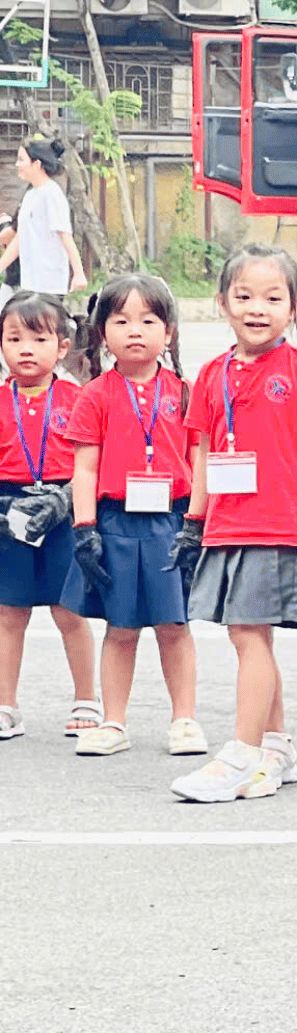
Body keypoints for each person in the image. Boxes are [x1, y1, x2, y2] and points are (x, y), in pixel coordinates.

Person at [169, 247, 297, 801]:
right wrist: (194, 520)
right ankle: (275, 747)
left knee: (249, 634)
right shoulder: (210, 374)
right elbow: (201, 450)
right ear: (223, 304)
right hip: (226, 523)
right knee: (249, 636)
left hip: (280, 525)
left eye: (273, 298)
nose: (257, 308)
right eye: (244, 296)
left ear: (293, 308)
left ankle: (242, 757)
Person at [61, 275, 205, 757]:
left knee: (174, 625)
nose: (135, 330)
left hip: (171, 521)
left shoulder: (185, 392)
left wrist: (197, 523)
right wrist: (84, 529)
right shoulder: (94, 394)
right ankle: (114, 721)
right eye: (121, 320)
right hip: (114, 522)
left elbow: (198, 460)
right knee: (120, 628)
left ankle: (184, 720)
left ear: (169, 332)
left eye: (148, 320)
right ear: (102, 331)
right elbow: (84, 467)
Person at [0, 293, 96, 739]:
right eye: (14, 338)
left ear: (62, 346)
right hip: (9, 511)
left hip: (63, 508)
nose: (25, 349)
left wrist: (73, 506)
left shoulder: (81, 399)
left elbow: (91, 464)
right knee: (8, 614)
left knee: (68, 611)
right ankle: (6, 704)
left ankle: (86, 699)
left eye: (38, 338)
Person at [0, 138, 88, 311]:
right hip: (29, 282)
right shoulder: (30, 195)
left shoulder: (52, 194)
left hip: (50, 283)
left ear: (37, 164)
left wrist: (79, 274)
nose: (17, 164)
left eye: (21, 160)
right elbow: (19, 240)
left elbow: (66, 237)